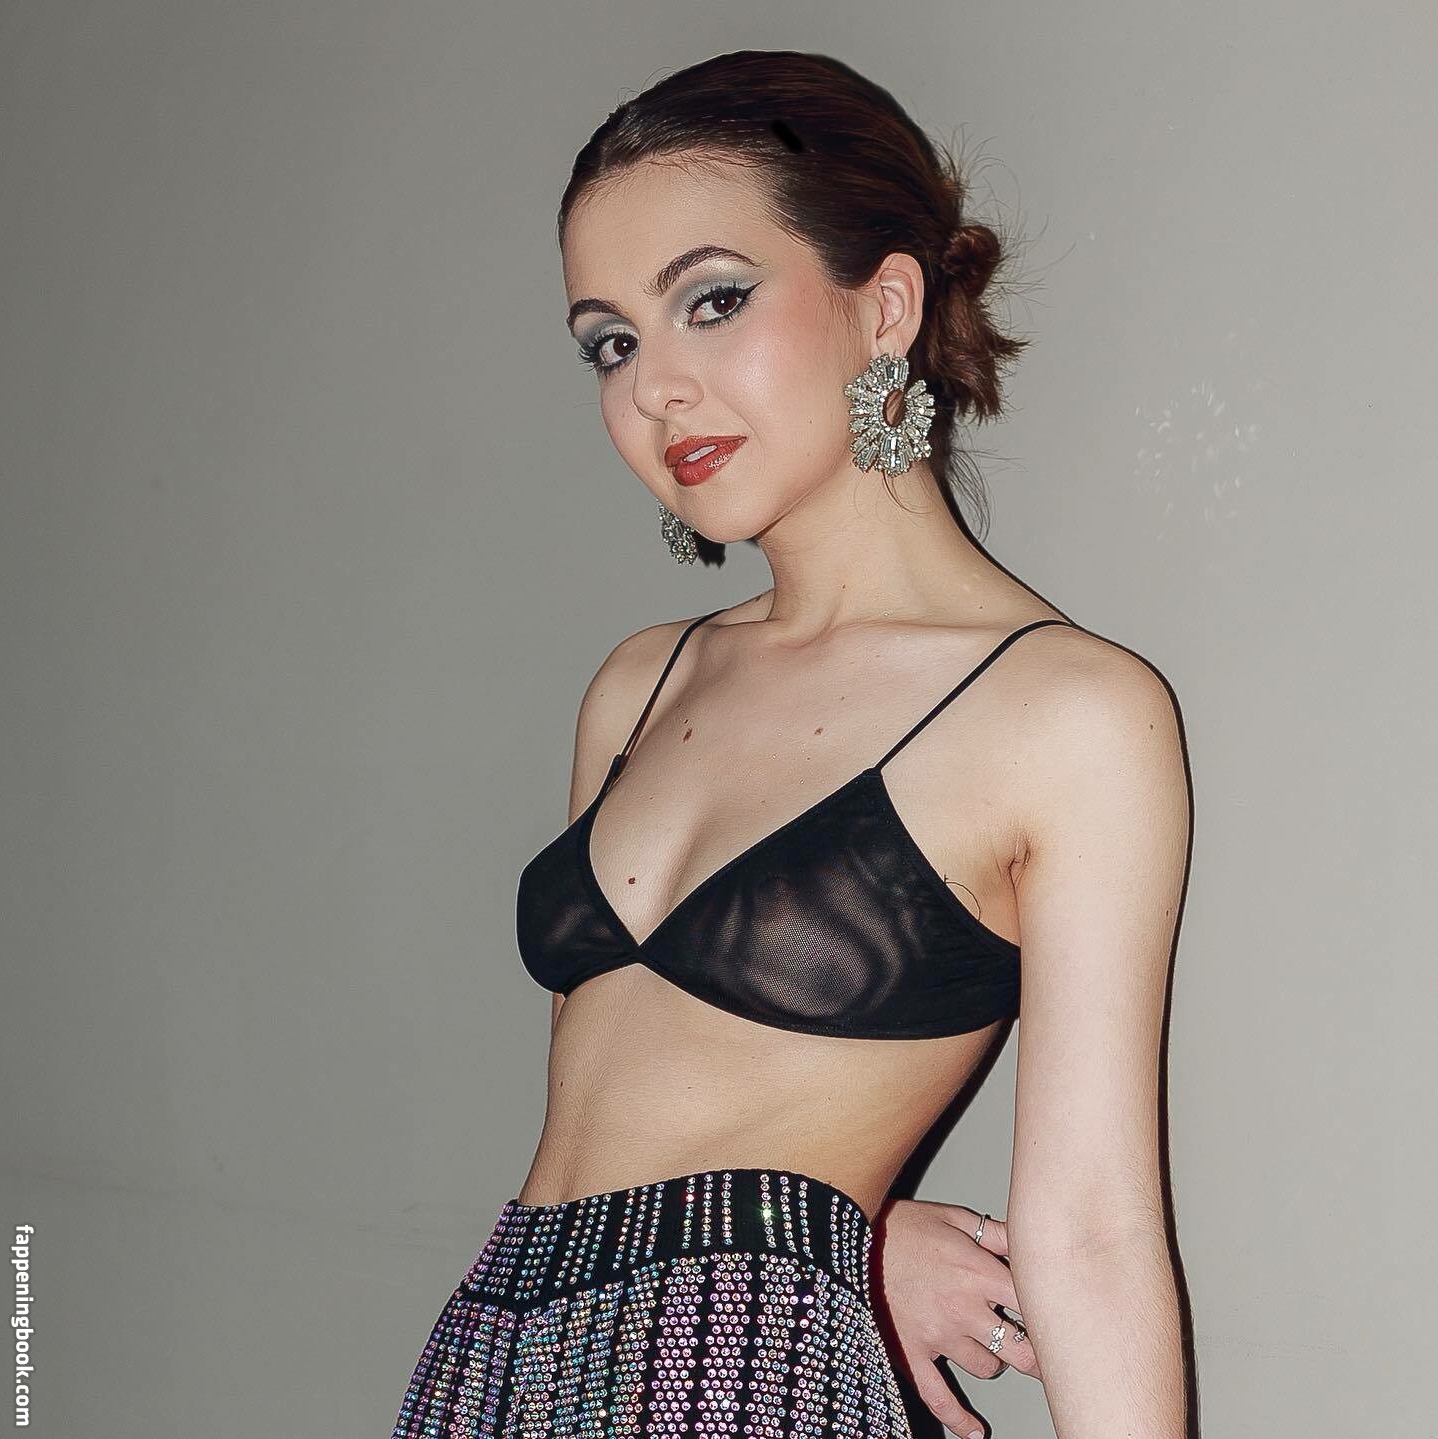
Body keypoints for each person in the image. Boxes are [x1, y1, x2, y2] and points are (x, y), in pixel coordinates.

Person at [390, 48, 1190, 1439]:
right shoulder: (640, 683)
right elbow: (648, 1111)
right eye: (611, 342)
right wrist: (855, 1245)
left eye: (713, 300)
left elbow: (1095, 1233)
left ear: (885, 306)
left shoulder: (1068, 714)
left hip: (737, 1386)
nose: (655, 387)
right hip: (490, 1364)